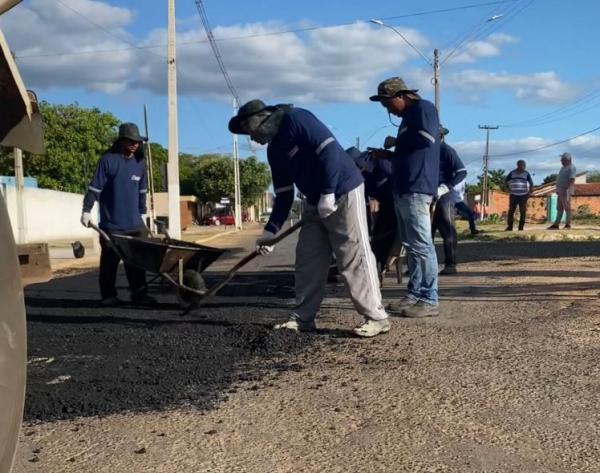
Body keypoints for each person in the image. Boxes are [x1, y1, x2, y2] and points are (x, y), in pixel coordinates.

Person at [228, 100, 390, 338]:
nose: (253, 139)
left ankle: (376, 317)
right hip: (315, 202)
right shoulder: (275, 150)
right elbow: (283, 193)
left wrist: (328, 192)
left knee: (353, 254)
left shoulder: (297, 119)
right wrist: (271, 232)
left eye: (251, 131)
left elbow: (330, 152)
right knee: (308, 259)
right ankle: (302, 318)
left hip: (344, 190)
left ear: (261, 119)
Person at [369, 77, 441, 318]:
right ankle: (414, 294)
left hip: (417, 188)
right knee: (411, 246)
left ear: (401, 96)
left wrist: (396, 142)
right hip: (403, 187)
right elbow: (409, 152)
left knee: (421, 246)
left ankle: (429, 298)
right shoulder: (408, 119)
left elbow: (428, 139)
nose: (388, 109)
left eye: (388, 104)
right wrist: (388, 155)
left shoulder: (424, 109)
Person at [80, 123, 155, 307]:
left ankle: (139, 294)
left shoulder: (139, 163)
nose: (134, 144)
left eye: (137, 141)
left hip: (135, 224)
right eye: (130, 141)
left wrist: (143, 214)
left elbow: (142, 191)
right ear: (121, 141)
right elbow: (95, 187)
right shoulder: (108, 160)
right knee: (109, 262)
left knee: (137, 262)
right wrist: (86, 210)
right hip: (112, 224)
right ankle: (108, 295)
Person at [346, 146, 397, 280]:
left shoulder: (381, 163)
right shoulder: (361, 177)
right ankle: (368, 266)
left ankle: (377, 267)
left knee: (382, 235)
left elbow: (397, 179)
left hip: (395, 205)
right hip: (380, 206)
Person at [431, 127, 467, 275]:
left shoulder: (446, 150)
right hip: (426, 195)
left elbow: (461, 172)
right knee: (426, 233)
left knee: (448, 231)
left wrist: (446, 186)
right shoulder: (426, 151)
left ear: (440, 136)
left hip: (443, 197)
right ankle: (423, 266)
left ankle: (450, 264)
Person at [548, 152, 576, 230]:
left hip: (566, 189)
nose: (561, 161)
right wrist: (558, 189)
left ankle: (568, 224)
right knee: (559, 208)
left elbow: (572, 179)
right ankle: (556, 224)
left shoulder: (571, 167)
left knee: (567, 207)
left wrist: (569, 190)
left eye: (563, 160)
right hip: (560, 190)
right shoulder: (563, 168)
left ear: (568, 159)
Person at [505, 159, 534, 231]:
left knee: (523, 211)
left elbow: (531, 183)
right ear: (517, 165)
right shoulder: (512, 173)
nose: (523, 167)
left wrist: (530, 192)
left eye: (524, 166)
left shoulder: (526, 173)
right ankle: (510, 227)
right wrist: (508, 188)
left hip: (523, 195)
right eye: (521, 165)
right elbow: (505, 180)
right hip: (513, 195)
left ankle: (521, 228)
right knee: (511, 211)